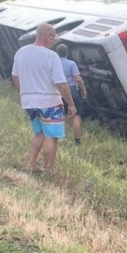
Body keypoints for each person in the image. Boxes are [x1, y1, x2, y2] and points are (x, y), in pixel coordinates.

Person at [11, 24, 76, 172]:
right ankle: (49, 170)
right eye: (54, 36)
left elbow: (15, 76)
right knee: (51, 137)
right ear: (46, 36)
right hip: (49, 102)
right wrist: (71, 104)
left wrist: (23, 93)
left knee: (38, 133)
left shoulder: (21, 52)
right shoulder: (51, 56)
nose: (55, 40)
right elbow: (61, 84)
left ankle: (31, 165)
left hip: (29, 102)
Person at [55, 44, 88, 146]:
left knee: (62, 115)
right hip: (72, 91)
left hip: (58, 91)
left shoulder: (54, 64)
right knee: (76, 116)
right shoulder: (71, 64)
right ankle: (77, 141)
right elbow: (77, 79)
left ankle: (61, 140)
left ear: (57, 53)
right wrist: (83, 90)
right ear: (67, 52)